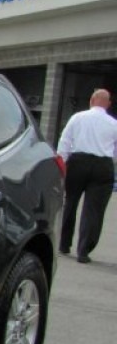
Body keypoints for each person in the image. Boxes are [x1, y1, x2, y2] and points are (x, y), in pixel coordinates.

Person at [56, 88, 117, 263]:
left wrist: (62, 163)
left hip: (78, 162)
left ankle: (64, 244)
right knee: (94, 210)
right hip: (102, 166)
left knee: (71, 202)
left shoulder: (77, 117)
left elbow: (65, 141)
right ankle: (84, 250)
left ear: (91, 100)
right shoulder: (113, 124)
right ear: (108, 104)